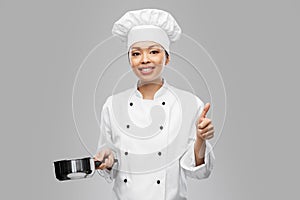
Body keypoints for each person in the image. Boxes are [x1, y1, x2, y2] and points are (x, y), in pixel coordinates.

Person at [94, 9, 215, 200]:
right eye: (136, 53)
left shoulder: (189, 104)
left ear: (167, 58)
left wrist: (201, 139)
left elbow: (200, 172)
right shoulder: (113, 105)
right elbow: (109, 160)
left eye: (154, 51)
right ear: (129, 60)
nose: (144, 59)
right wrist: (107, 161)